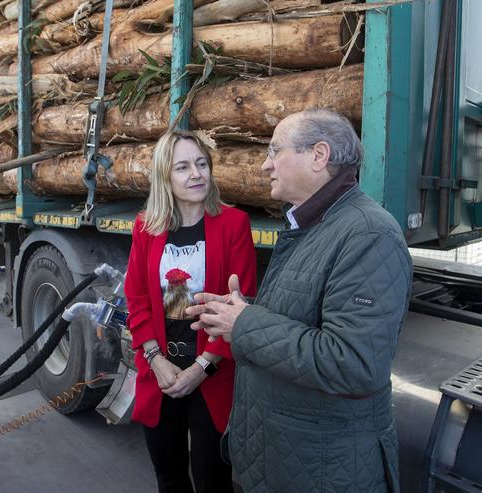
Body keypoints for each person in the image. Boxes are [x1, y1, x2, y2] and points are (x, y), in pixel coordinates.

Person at [187, 108, 413, 492]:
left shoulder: (368, 236)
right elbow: (299, 321)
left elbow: (352, 363)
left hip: (321, 471)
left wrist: (244, 323)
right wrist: (238, 312)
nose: (264, 165)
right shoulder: (312, 225)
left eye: (275, 151)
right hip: (288, 461)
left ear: (319, 155)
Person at [124, 129, 257, 493]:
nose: (196, 174)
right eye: (182, 167)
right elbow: (135, 297)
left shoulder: (233, 224)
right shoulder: (145, 228)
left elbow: (240, 305)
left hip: (212, 371)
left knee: (212, 479)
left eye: (201, 164)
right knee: (169, 476)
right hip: (161, 370)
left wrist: (203, 367)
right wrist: (155, 359)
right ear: (164, 176)